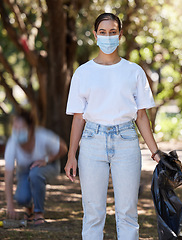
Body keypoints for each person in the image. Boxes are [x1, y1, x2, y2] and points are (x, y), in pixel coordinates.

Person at [65, 12, 162, 239]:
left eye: (112, 32)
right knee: (93, 214)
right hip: (91, 143)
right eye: (102, 32)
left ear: (119, 35)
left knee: (128, 213)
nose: (107, 37)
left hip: (126, 141)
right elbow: (78, 118)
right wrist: (71, 155)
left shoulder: (134, 71)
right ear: (95, 35)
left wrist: (155, 152)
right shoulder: (83, 72)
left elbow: (141, 116)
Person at [4, 110, 67, 226]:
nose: (17, 131)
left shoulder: (43, 135)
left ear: (30, 128)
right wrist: (10, 205)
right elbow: (8, 176)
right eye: (15, 127)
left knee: (35, 174)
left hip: (48, 165)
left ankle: (38, 212)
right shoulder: (12, 143)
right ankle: (29, 208)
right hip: (25, 171)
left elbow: (63, 148)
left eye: (21, 128)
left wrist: (46, 159)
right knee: (21, 198)